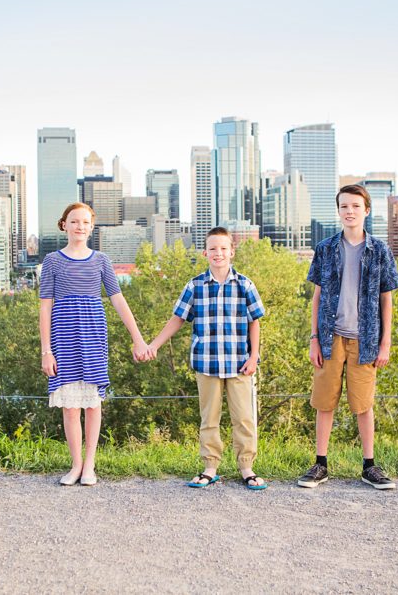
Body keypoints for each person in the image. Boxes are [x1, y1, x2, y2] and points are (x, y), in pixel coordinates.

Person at [145, 226, 267, 490]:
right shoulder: (196, 285)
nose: (218, 253)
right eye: (213, 249)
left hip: (239, 363)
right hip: (207, 363)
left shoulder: (245, 284)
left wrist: (254, 356)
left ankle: (247, 467)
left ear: (232, 252)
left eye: (223, 248)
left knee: (244, 418)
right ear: (205, 253)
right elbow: (178, 319)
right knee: (209, 419)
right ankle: (210, 467)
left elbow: (255, 321)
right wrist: (154, 344)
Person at [298, 184, 398, 489]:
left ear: (366, 210)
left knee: (363, 404)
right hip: (330, 337)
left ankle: (369, 466)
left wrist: (385, 342)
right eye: (344, 206)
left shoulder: (380, 250)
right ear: (339, 211)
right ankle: (320, 464)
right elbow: (316, 296)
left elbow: (387, 299)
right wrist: (314, 338)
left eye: (355, 206)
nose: (350, 211)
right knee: (325, 402)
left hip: (365, 339)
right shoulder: (326, 248)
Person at [40, 202, 148, 486]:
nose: (80, 226)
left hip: (93, 337)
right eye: (74, 221)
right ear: (64, 225)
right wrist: (46, 350)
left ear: (91, 226)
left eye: (85, 222)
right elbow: (45, 307)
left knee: (92, 404)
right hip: (63, 339)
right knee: (70, 407)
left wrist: (138, 339)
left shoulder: (101, 260)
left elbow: (118, 300)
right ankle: (75, 465)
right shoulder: (52, 261)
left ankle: (90, 465)